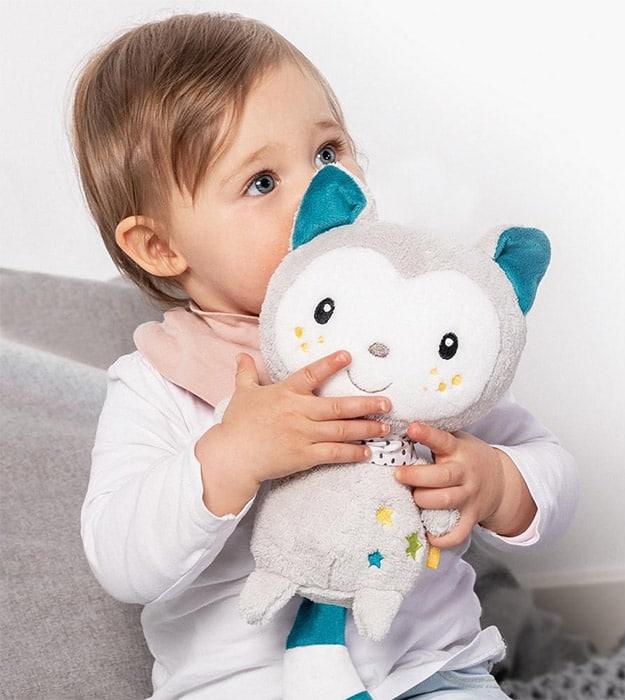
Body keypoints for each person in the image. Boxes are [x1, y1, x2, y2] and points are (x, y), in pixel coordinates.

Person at [71, 12, 579, 699]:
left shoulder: (414, 338)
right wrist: (232, 457)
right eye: (261, 181)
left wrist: (497, 483)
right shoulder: (159, 380)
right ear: (160, 247)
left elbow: (551, 466)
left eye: (328, 153)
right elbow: (118, 557)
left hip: (429, 672)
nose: (320, 191)